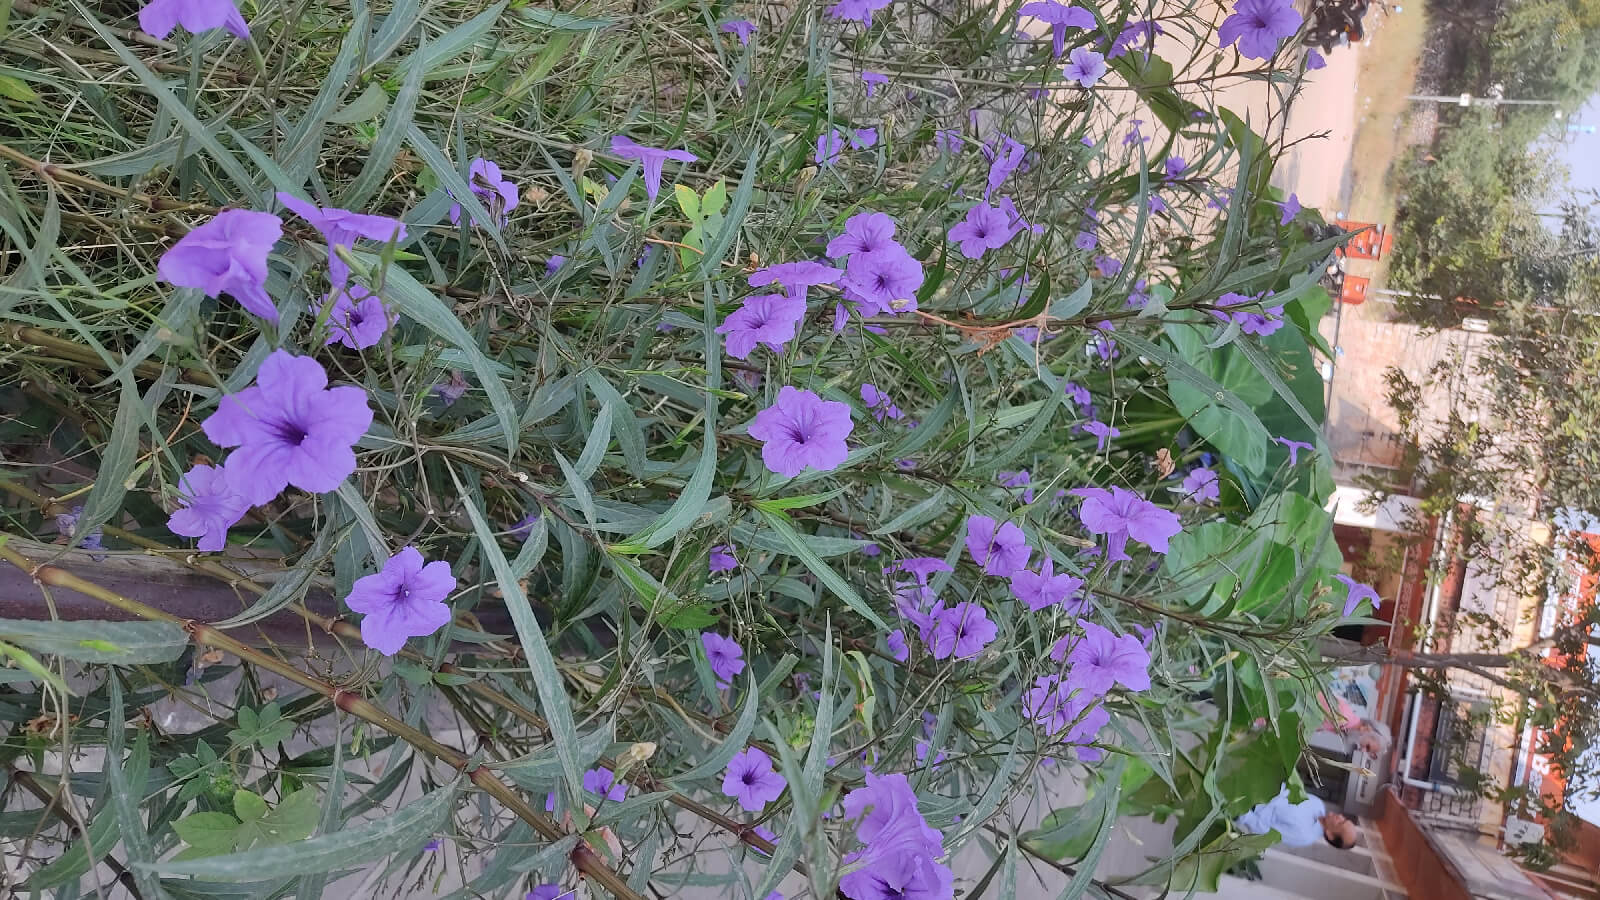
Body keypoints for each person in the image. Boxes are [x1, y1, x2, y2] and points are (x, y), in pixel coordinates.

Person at [1237, 785, 1360, 849]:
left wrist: (1242, 812)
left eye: (1340, 823)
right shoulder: (1318, 804)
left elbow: (1266, 831)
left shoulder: (1304, 836)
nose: (1340, 816)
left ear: (1330, 835)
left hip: (1247, 804)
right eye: (1344, 819)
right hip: (1257, 782)